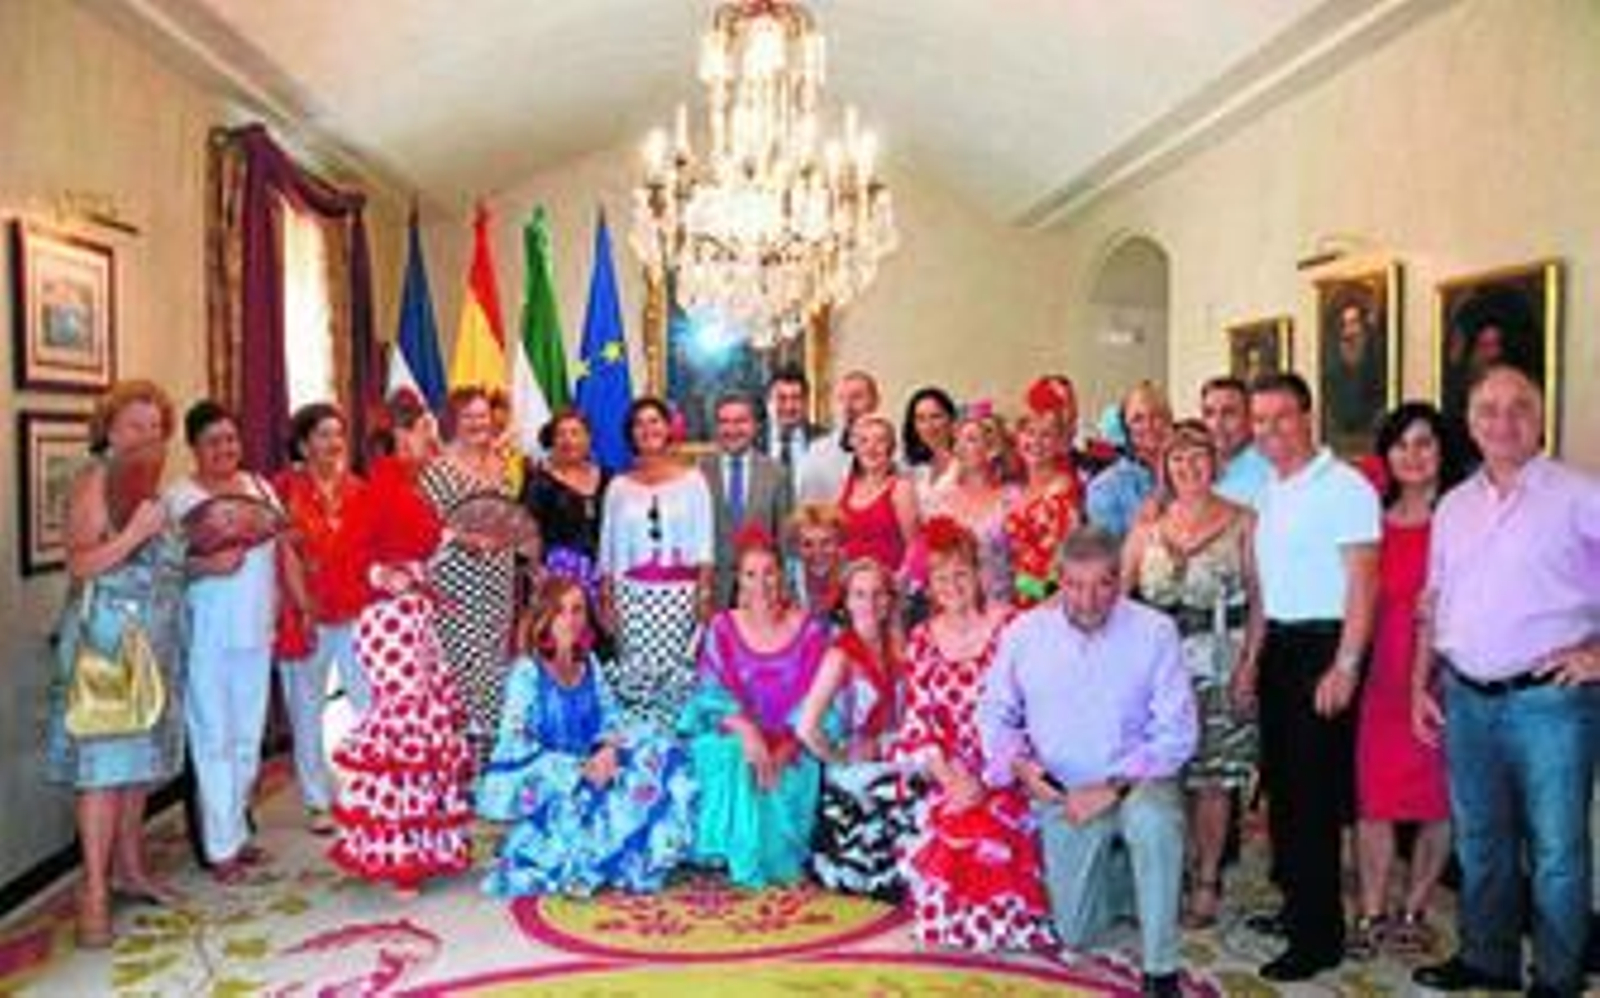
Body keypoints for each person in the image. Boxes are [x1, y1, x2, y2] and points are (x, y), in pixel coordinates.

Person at [1411, 366, 1599, 998]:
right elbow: (1435, 601)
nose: (1504, 421)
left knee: (1557, 855)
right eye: (1488, 409)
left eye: (1520, 407)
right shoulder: (1455, 506)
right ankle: (1487, 960)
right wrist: (1421, 683)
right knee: (1481, 844)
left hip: (1552, 705)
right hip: (1466, 698)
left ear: (1540, 420)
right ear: (1470, 422)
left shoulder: (1580, 495)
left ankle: (1557, 979)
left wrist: (1598, 654)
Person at [981, 526, 1197, 997]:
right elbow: (996, 714)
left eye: (1102, 583)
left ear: (1119, 579)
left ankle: (1160, 968)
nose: (1088, 599)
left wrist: (1114, 787)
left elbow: (1178, 735)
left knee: (1154, 822)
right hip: (1064, 793)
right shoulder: (1023, 633)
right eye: (1075, 584)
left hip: (1135, 782)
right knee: (1076, 931)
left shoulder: (1155, 631)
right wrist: (1021, 766)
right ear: (1058, 579)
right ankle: (1128, 875)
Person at [1246, 372, 1380, 981]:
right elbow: (1267, 588)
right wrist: (1254, 656)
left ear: (1308, 417)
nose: (1270, 431)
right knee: (1284, 792)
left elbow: (1364, 583)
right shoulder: (1273, 487)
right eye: (1260, 421)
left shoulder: (1345, 486)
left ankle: (1319, 938)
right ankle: (1301, 907)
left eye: (1281, 417)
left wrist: (1346, 665)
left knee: (1315, 800)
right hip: (1281, 645)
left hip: (1325, 649)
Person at [45, 381, 186, 947]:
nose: (146, 438)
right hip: (105, 644)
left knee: (138, 765)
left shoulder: (152, 487)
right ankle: (95, 893)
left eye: (155, 429)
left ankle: (130, 869)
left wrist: (211, 560)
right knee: (103, 770)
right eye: (134, 426)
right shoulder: (94, 482)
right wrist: (133, 534)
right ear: (108, 428)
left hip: (153, 640)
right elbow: (80, 565)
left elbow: (166, 566)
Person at [330, 389, 471, 897]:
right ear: (400, 435)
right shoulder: (379, 490)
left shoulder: (407, 489)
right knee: (404, 727)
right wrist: (378, 573)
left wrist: (469, 539)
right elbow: (345, 559)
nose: (431, 440)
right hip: (389, 621)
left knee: (421, 722)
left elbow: (427, 541)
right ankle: (397, 853)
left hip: (415, 614)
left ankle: (419, 845)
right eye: (424, 432)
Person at [890, 517, 1054, 952]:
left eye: (960, 573)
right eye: (940, 576)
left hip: (1010, 768)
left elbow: (1034, 709)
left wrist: (990, 778)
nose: (951, 584)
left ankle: (1002, 925)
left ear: (979, 574)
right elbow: (919, 719)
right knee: (954, 824)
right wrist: (951, 779)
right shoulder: (922, 638)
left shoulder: (1012, 627)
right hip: (953, 771)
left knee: (994, 826)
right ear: (928, 584)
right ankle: (965, 926)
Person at [1121, 421, 1260, 930]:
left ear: (1214, 461)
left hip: (1221, 661)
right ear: (1165, 467)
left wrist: (1251, 663)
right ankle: (1169, 872)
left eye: (1197, 456)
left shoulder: (1245, 521)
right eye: (1177, 459)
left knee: (1213, 779)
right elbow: (1116, 599)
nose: (1188, 467)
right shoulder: (1145, 529)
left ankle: (1206, 879)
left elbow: (1261, 600)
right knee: (1163, 776)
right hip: (1158, 671)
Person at [479, 576, 694, 897]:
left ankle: (640, 854)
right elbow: (513, 741)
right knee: (577, 842)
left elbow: (612, 717)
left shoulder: (589, 663)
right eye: (561, 610)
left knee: (659, 748)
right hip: (554, 784)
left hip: (597, 770)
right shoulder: (527, 671)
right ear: (544, 617)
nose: (571, 619)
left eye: (578, 610)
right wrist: (576, 768)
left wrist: (607, 749)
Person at [1349, 403, 1464, 957]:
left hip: (1442, 679)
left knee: (1436, 801)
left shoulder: (1464, 519)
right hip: (1378, 678)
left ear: (1443, 451)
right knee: (1375, 801)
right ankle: (1372, 911)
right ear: (1386, 454)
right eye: (1401, 445)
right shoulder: (1369, 519)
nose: (1412, 456)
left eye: (1425, 443)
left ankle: (1415, 906)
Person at [166, 401, 282, 883]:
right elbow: (164, 566)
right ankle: (220, 849)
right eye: (214, 441)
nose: (225, 449)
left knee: (246, 739)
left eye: (231, 439)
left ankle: (235, 831)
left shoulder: (260, 488)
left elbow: (281, 546)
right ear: (193, 447)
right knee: (212, 737)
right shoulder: (178, 498)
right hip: (206, 635)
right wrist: (206, 566)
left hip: (256, 631)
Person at [678, 530, 829, 887]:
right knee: (724, 753)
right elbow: (709, 695)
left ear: (783, 576)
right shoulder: (722, 627)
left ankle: (764, 854)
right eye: (750, 574)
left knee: (779, 775)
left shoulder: (809, 630)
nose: (760, 583)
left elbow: (821, 702)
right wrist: (747, 731)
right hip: (736, 736)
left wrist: (785, 747)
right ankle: (726, 851)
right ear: (739, 582)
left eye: (769, 573)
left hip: (793, 743)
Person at [273, 402, 372, 836]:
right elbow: (280, 552)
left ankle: (372, 789)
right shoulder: (282, 489)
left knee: (367, 702)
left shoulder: (359, 489)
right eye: (323, 434)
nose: (333, 443)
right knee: (306, 708)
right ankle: (317, 800)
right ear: (303, 442)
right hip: (303, 613)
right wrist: (303, 603)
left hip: (355, 613)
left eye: (338, 434)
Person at [797, 558, 913, 899]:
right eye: (860, 594)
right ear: (846, 601)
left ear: (890, 600)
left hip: (896, 752)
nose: (870, 603)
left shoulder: (896, 644)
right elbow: (806, 728)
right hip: (859, 767)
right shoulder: (840, 655)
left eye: (879, 594)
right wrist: (839, 756)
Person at [418, 387, 523, 759]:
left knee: (494, 670)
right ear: (453, 422)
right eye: (470, 417)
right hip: (455, 585)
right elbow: (425, 530)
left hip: (497, 583)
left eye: (483, 416)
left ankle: (489, 762)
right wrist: (466, 539)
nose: (479, 423)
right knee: (465, 671)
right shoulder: (438, 469)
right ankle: (459, 765)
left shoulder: (499, 464)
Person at [598, 396, 714, 729]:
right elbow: (607, 549)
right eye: (639, 423)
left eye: (655, 421)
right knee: (636, 680)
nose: (647, 429)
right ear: (631, 434)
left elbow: (705, 544)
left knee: (677, 679)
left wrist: (702, 597)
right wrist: (607, 600)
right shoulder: (619, 486)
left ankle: (675, 756)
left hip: (679, 599)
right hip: (631, 599)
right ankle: (640, 756)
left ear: (668, 428)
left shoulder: (694, 480)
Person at [698, 392, 791, 606]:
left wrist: (784, 588)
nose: (732, 429)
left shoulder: (777, 473)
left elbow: (785, 539)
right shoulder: (700, 474)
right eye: (725, 422)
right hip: (713, 590)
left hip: (762, 590)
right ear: (716, 428)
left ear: (755, 426)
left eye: (741, 421)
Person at [926, 413, 1016, 605]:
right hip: (951, 605)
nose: (959, 447)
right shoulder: (941, 496)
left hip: (999, 604)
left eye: (971, 439)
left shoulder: (1012, 499)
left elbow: (1024, 561)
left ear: (992, 449)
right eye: (957, 440)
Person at [521, 410, 608, 605]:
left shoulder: (610, 479)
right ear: (552, 441)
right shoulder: (539, 484)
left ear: (588, 438)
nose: (569, 440)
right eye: (561, 434)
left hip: (602, 583)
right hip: (557, 586)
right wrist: (538, 575)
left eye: (575, 433)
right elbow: (524, 535)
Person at [1005, 407, 1083, 608]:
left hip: (1048, 604)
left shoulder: (1064, 493)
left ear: (1059, 443)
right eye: (1029, 432)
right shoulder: (1017, 488)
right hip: (1015, 601)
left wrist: (1024, 587)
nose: (1036, 442)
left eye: (1046, 434)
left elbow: (1065, 566)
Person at [1086, 381, 1175, 538]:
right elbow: (1109, 554)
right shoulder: (1104, 486)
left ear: (1170, 420)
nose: (1149, 425)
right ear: (1126, 428)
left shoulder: (1195, 472)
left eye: (1157, 416)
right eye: (1137, 419)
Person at [837, 414, 919, 574]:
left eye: (880, 441)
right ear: (855, 447)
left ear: (891, 447)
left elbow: (914, 548)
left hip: (889, 588)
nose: (871, 448)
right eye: (864, 441)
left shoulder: (901, 488)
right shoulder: (847, 485)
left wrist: (899, 583)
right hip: (853, 586)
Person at [796, 370, 880, 503]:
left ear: (875, 401)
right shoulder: (817, 451)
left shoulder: (897, 450)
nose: (847, 406)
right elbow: (807, 504)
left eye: (856, 397)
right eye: (841, 398)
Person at [1200, 376, 1272, 508]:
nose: (1217, 424)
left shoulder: (1269, 470)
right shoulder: (1198, 466)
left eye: (1229, 413)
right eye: (1209, 413)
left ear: (1251, 418)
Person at [901, 386, 959, 508]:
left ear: (951, 419)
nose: (929, 426)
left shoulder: (966, 462)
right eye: (920, 419)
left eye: (936, 416)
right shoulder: (911, 466)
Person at [783, 503, 845, 618]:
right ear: (797, 547)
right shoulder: (787, 580)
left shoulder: (852, 579)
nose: (818, 552)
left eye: (826, 542)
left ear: (839, 543)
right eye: (807, 544)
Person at [762, 365, 821, 473]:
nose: (789, 407)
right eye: (781, 398)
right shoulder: (750, 441)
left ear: (806, 402)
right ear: (768, 402)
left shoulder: (825, 441)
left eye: (796, 398)